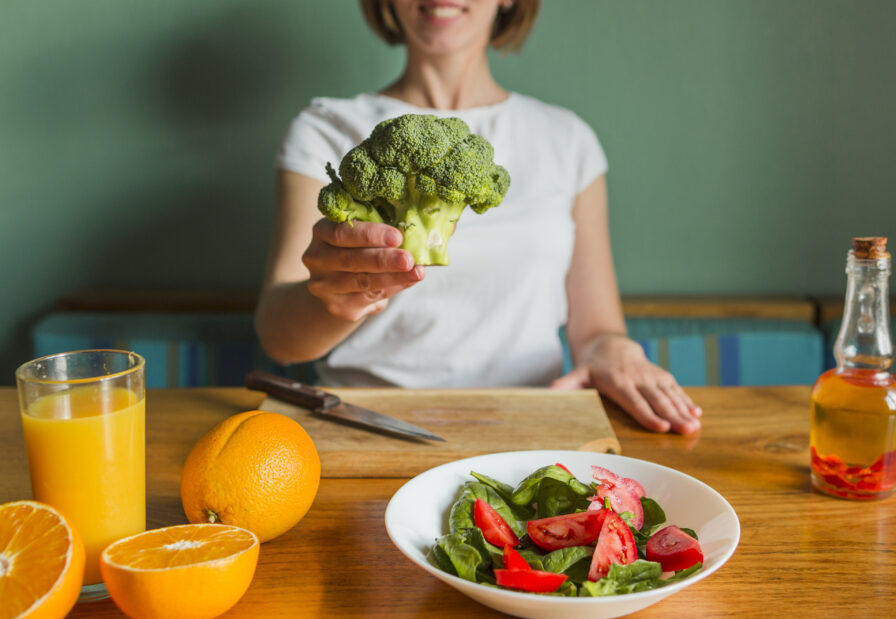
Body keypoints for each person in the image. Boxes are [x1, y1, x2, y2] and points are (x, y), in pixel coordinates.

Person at [255, 0, 702, 435]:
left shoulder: (567, 139)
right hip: (365, 424)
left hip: (524, 427)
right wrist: (340, 297)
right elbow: (278, 337)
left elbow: (598, 329)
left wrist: (615, 352)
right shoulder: (325, 127)